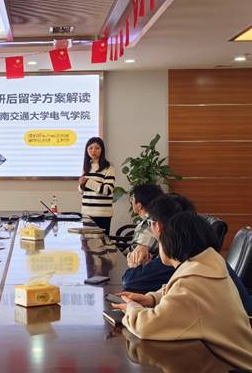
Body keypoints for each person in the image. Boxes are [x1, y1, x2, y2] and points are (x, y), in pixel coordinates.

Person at [114, 212, 252, 370]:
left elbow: (146, 326)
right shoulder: (208, 264)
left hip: (235, 367)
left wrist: (131, 308)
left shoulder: (192, 283)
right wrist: (152, 299)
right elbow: (178, 292)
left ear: (171, 243)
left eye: (159, 241)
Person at [79, 137, 115, 234]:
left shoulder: (109, 168)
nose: (93, 151)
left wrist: (88, 182)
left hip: (102, 213)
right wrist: (81, 185)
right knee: (86, 242)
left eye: (97, 148)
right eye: (90, 148)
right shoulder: (86, 167)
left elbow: (108, 190)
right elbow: (82, 191)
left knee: (101, 242)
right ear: (86, 150)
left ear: (102, 150)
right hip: (86, 213)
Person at [125, 184, 164, 266]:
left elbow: (135, 260)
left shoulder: (146, 226)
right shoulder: (161, 219)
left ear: (139, 206)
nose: (131, 201)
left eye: (132, 199)